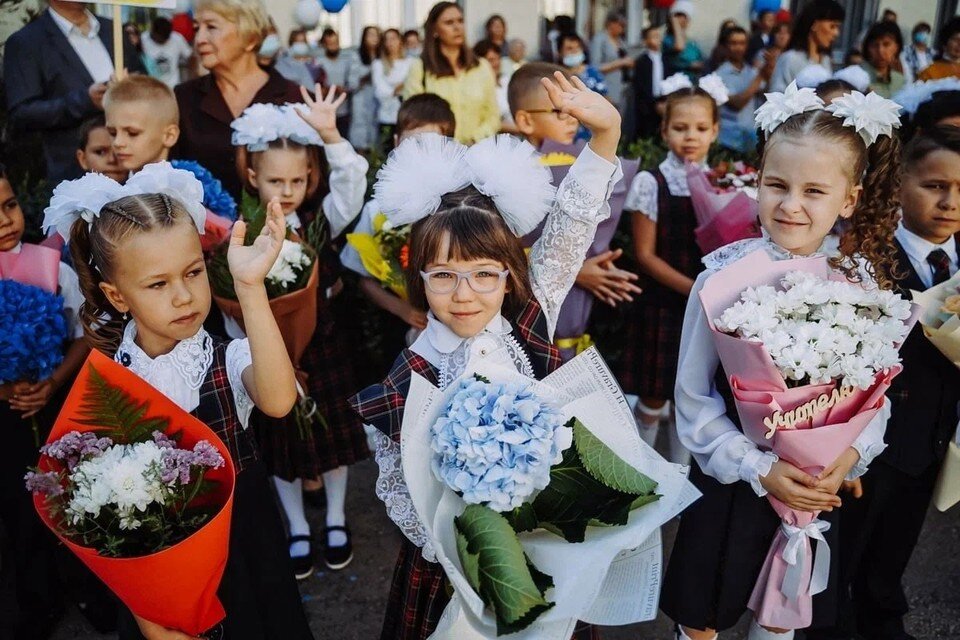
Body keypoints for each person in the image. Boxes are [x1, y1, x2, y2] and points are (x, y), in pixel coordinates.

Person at [351, 70, 622, 640]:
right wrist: (461, 551)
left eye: (483, 275)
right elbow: (398, 488)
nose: (465, 293)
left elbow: (572, 223)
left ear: (509, 275)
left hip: (546, 544)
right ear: (418, 278)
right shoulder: (406, 378)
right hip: (455, 565)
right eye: (444, 276)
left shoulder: (528, 313)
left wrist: (604, 138)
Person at [662, 84, 902, 640]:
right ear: (757, 184)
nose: (791, 203)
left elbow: (874, 395)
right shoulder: (721, 278)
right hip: (735, 485)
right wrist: (758, 467)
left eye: (814, 190)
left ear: (849, 199)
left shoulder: (861, 286)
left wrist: (848, 457)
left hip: (814, 489)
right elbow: (693, 396)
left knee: (779, 623)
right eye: (776, 185)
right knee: (702, 626)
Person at [44, 164, 315, 640]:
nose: (184, 296)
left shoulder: (227, 359)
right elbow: (101, 514)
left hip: (245, 554)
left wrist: (250, 287)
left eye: (193, 272)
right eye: (157, 284)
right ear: (116, 295)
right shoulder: (109, 386)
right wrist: (151, 617)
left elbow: (278, 402)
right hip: (159, 581)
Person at [807, 124, 960, 640]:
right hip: (869, 443)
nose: (949, 201)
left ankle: (881, 614)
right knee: (843, 546)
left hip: (935, 435)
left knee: (897, 541)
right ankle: (826, 626)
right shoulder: (868, 261)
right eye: (935, 185)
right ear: (899, 187)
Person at [233, 88, 369, 576]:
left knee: (332, 438)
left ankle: (334, 517)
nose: (286, 190)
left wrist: (330, 134)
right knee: (282, 442)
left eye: (297, 179)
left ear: (311, 177)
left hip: (325, 346)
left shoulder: (319, 220)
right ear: (253, 177)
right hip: (271, 357)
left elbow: (353, 184)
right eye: (275, 180)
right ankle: (295, 525)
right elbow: (231, 297)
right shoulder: (241, 231)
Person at [0, 163, 89, 640]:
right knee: (20, 505)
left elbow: (84, 335)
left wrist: (51, 383)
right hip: (7, 413)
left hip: (56, 402)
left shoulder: (52, 267)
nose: (4, 219)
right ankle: (37, 598)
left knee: (70, 490)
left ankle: (86, 585)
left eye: (10, 205)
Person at [619, 78, 724, 460]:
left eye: (700, 128)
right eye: (680, 128)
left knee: (692, 395)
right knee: (654, 393)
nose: (690, 137)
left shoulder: (722, 182)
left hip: (707, 307)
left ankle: (678, 481)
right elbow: (645, 256)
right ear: (664, 131)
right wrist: (698, 289)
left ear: (715, 131)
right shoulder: (652, 182)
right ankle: (641, 470)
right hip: (665, 304)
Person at [509, 62, 642, 361]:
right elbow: (498, 251)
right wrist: (576, 270)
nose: (572, 121)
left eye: (574, 111)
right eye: (559, 112)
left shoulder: (579, 160)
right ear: (525, 121)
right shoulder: (507, 174)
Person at [339, 94, 457, 353]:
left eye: (431, 146)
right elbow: (364, 278)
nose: (419, 155)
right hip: (400, 323)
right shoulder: (378, 209)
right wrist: (401, 308)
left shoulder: (458, 205)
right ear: (395, 143)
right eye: (411, 144)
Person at [173, 0, 303, 199]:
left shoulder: (292, 98)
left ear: (250, 37)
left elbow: (314, 186)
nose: (199, 39)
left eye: (211, 27)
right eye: (197, 28)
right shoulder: (183, 98)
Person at [3, 0, 143, 183]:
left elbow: (144, 83)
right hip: (73, 175)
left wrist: (131, 87)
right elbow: (22, 113)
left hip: (132, 170)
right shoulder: (26, 42)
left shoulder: (113, 28)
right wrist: (85, 101)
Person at [403, 2, 500, 145]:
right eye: (449, 22)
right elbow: (414, 117)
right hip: (437, 152)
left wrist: (474, 139)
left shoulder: (481, 66)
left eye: (460, 21)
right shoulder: (420, 68)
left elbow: (493, 116)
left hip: (476, 151)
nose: (457, 27)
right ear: (435, 30)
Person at [104, 75, 181, 175]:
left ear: (169, 136)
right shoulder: (107, 188)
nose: (117, 142)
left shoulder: (191, 188)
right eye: (113, 133)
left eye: (132, 133)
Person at [716, 25, 774, 153]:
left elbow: (766, 96)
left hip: (750, 139)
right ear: (725, 46)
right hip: (728, 141)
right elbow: (738, 103)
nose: (738, 48)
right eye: (733, 43)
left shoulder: (750, 72)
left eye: (742, 43)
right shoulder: (719, 75)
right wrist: (760, 76)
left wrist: (769, 72)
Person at [770, 0, 845, 92]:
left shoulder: (826, 60)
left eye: (838, 28)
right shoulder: (790, 59)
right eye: (832, 26)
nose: (836, 33)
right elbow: (777, 96)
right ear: (815, 24)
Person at [557, 33, 607, 141]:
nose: (574, 51)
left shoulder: (593, 73)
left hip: (591, 133)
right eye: (569, 48)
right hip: (563, 133)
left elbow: (605, 100)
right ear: (560, 52)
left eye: (578, 47)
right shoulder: (556, 75)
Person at [372, 28, 414, 146]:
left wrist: (401, 87)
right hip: (386, 117)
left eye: (393, 38)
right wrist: (398, 88)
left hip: (407, 117)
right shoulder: (378, 64)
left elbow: (411, 87)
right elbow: (380, 91)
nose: (390, 42)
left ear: (400, 40)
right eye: (387, 39)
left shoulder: (411, 62)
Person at [590, 10, 634, 113]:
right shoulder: (599, 39)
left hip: (622, 88)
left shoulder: (621, 41)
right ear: (611, 23)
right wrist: (621, 63)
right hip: (606, 87)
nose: (622, 29)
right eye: (621, 25)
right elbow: (595, 67)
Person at [348, 26, 382, 152]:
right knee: (360, 132)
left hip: (377, 99)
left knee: (376, 131)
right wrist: (367, 75)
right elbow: (352, 83)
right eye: (370, 35)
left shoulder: (382, 56)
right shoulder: (356, 56)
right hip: (361, 98)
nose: (373, 38)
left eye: (376, 35)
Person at [317, 28, 353, 138]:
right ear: (324, 44)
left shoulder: (346, 61)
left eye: (335, 43)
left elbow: (351, 84)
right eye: (330, 44)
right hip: (325, 111)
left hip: (343, 111)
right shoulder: (319, 62)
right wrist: (332, 89)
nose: (333, 46)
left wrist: (345, 90)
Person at [473, 39, 515, 132]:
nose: (496, 63)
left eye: (498, 58)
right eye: (491, 60)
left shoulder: (506, 80)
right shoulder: (477, 88)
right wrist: (518, 128)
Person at [142, 17, 193, 88]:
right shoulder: (143, 39)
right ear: (152, 31)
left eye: (165, 39)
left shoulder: (177, 38)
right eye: (159, 38)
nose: (162, 41)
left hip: (172, 88)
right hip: (151, 88)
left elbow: (190, 57)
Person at [634, 25, 666, 139]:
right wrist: (652, 103)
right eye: (654, 36)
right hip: (647, 104)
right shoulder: (642, 61)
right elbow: (641, 85)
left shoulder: (665, 59)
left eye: (659, 36)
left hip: (662, 101)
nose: (658, 39)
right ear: (646, 40)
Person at [861, 21, 906, 99]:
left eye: (886, 44)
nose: (880, 51)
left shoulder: (900, 80)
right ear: (867, 48)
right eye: (875, 45)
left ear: (896, 47)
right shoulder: (858, 76)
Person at [76, 116, 128, 183]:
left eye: (120, 151)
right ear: (83, 159)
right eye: (100, 152)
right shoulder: (65, 193)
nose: (112, 160)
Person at [664, 0, 704, 80]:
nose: (681, 19)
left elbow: (701, 60)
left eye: (684, 16)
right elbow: (679, 47)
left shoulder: (692, 42)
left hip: (692, 82)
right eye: (677, 16)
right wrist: (676, 26)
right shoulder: (667, 40)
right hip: (674, 83)